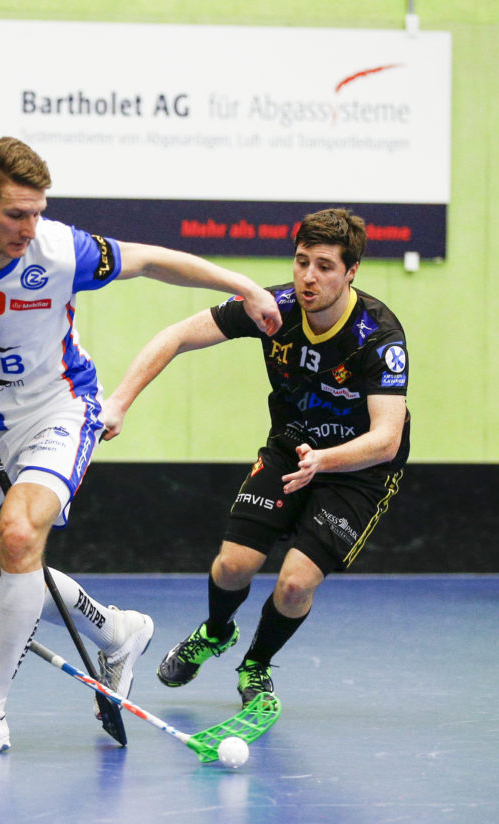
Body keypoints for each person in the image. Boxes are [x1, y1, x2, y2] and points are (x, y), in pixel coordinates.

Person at [0, 136, 283, 757]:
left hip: (59, 411)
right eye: (16, 214)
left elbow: (150, 260)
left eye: (37, 212)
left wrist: (243, 285)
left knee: (18, 535)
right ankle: (119, 633)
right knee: (0, 564)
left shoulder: (59, 250)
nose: (29, 228)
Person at [101, 208, 408, 707]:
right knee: (232, 566)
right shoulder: (273, 309)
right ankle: (216, 631)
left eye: (325, 266)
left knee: (294, 584)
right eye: (302, 261)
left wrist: (325, 460)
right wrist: (119, 401)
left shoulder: (377, 336)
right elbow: (176, 336)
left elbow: (387, 438)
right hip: (291, 448)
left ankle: (257, 665)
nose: (308, 277)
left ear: (351, 271)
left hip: (358, 469)